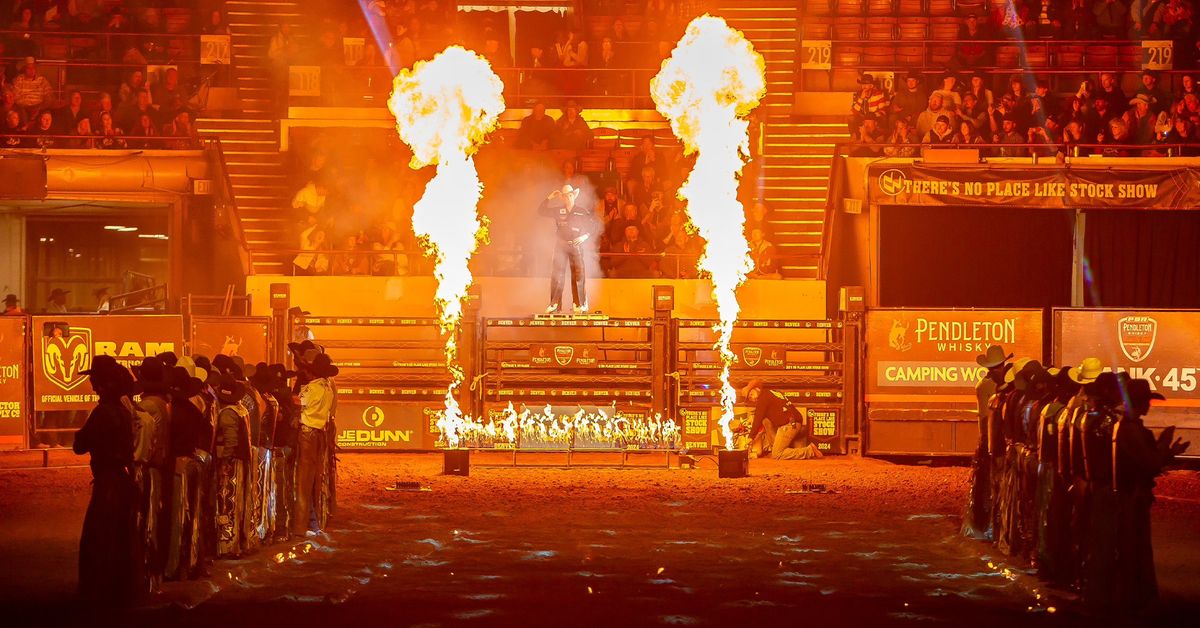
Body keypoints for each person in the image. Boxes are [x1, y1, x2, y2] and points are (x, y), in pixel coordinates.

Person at [73, 355, 141, 606]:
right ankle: (118, 590)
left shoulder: (103, 412)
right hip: (121, 480)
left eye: (94, 380)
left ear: (102, 384)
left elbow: (79, 446)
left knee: (100, 539)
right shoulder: (124, 411)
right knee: (119, 539)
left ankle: (101, 594)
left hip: (107, 483)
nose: (91, 384)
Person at [963, 345, 1011, 540]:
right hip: (993, 440)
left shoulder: (985, 386)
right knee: (993, 484)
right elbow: (985, 419)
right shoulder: (987, 387)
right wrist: (985, 443)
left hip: (993, 439)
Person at [293, 351, 336, 539]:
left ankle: (300, 526)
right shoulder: (328, 387)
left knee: (303, 482)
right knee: (315, 480)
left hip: (307, 433)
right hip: (319, 433)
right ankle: (314, 523)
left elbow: (298, 403)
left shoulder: (312, 388)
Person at [212, 374, 251, 557]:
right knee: (239, 503)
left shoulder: (227, 412)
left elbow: (230, 440)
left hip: (232, 463)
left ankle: (228, 544)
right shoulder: (241, 409)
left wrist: (225, 461)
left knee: (228, 502)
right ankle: (238, 543)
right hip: (241, 461)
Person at [538, 184, 592, 313]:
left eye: (570, 195)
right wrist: (550, 197)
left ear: (574, 195)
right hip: (561, 245)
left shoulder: (582, 211)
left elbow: (593, 226)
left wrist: (584, 237)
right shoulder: (558, 210)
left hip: (576, 244)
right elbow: (541, 211)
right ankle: (555, 304)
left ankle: (579, 304)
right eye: (565, 196)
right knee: (558, 273)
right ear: (562, 198)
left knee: (578, 274)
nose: (568, 197)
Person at [739, 380, 823, 460]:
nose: (751, 397)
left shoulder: (763, 398)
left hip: (789, 424)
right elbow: (761, 418)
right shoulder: (770, 392)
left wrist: (750, 437)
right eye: (749, 398)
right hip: (793, 421)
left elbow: (757, 419)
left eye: (751, 394)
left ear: (757, 389)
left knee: (777, 454)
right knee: (765, 420)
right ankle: (774, 448)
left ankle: (809, 451)